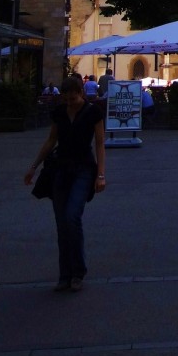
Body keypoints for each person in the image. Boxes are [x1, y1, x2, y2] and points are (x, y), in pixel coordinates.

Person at [24, 76, 106, 292]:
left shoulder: (93, 112)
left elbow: (99, 144)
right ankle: (65, 275)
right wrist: (33, 166)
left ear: (81, 93)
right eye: (67, 99)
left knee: (72, 217)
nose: (70, 102)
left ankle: (78, 272)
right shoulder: (60, 113)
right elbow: (51, 140)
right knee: (62, 224)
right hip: (60, 170)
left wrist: (101, 174)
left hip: (83, 170)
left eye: (73, 98)